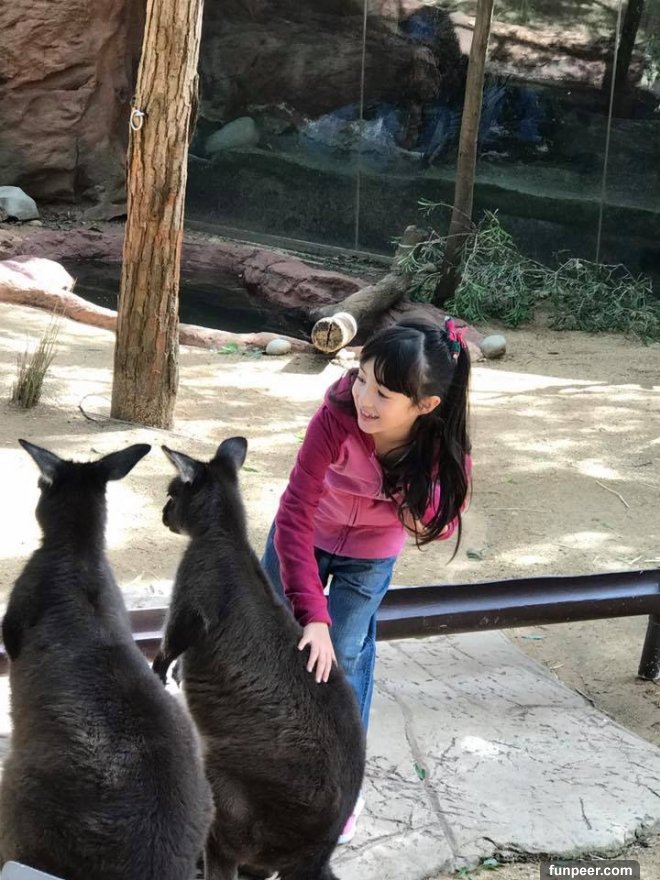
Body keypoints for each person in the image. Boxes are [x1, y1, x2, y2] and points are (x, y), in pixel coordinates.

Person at [261, 318, 472, 843]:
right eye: (361, 378)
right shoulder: (336, 414)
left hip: (370, 554)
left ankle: (339, 785)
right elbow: (294, 514)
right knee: (275, 642)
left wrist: (411, 498)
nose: (364, 398)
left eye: (383, 393)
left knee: (345, 656)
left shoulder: (440, 444)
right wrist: (311, 614)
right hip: (306, 535)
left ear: (425, 405)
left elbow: (441, 523)